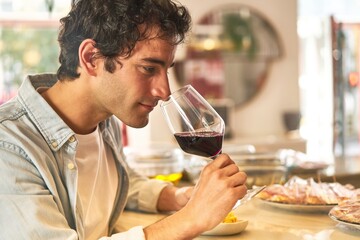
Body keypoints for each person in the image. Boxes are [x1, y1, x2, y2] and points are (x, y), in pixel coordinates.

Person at [0, 0, 247, 239]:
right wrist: (192, 217)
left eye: (166, 69)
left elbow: (113, 183)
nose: (165, 91)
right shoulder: (9, 148)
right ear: (90, 58)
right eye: (149, 69)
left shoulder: (105, 120)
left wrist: (179, 197)